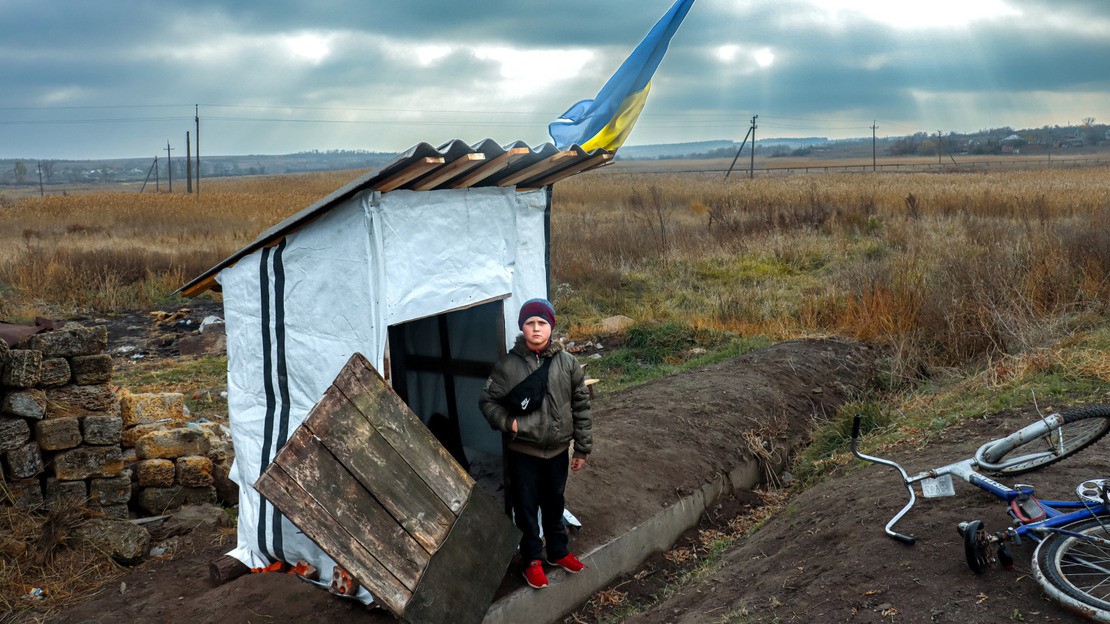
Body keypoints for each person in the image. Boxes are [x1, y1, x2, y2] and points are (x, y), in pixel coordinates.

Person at [479, 298, 592, 589]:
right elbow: (488, 401)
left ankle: (557, 551)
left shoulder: (567, 363)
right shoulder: (508, 366)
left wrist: (581, 448)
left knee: (554, 503)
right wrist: (509, 423)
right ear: (522, 328)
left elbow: (580, 405)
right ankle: (532, 560)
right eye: (530, 323)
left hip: (557, 452)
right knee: (527, 508)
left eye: (542, 323)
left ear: (550, 327)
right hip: (524, 453)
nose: (536, 328)